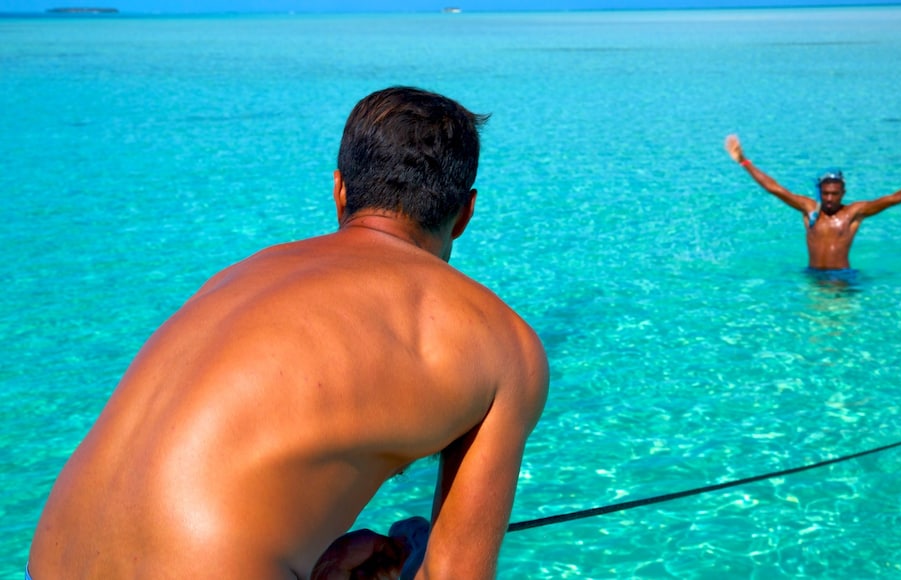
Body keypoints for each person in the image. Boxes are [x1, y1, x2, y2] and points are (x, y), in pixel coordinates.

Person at [28, 86, 549, 580]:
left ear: (340, 190)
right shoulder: (504, 343)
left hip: (44, 564)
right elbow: (453, 573)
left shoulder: (240, 275)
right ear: (465, 214)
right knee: (415, 544)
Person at [724, 134, 901, 271]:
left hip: (843, 278)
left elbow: (894, 198)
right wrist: (744, 161)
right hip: (813, 276)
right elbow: (774, 188)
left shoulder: (853, 213)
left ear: (843, 192)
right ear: (820, 192)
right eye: (825, 193)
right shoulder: (809, 209)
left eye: (834, 194)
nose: (829, 198)